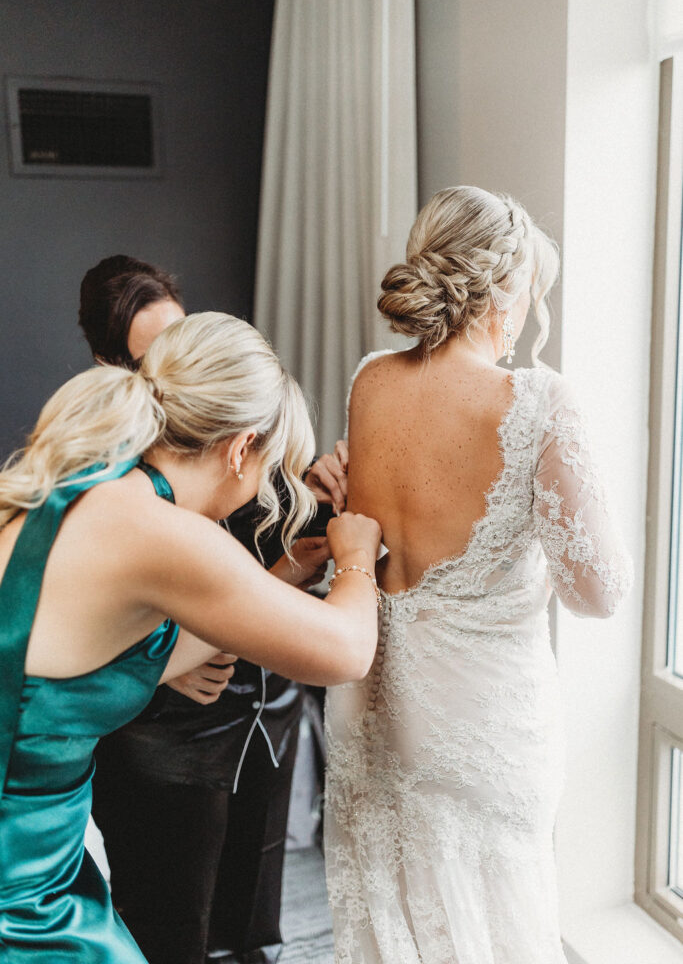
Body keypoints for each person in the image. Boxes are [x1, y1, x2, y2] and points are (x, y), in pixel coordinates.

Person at [0, 311, 381, 964]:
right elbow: (344, 652)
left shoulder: (99, 486)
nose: (264, 483)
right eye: (269, 463)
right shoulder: (163, 534)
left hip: (37, 847)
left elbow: (123, 650)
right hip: (21, 877)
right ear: (240, 448)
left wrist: (291, 569)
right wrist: (354, 554)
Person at [323, 186, 633, 964]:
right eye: (532, 285)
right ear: (506, 286)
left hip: (373, 709)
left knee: (398, 925)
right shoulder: (536, 401)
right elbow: (600, 592)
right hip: (482, 723)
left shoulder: (371, 379)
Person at [78, 256, 347, 964]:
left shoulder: (213, 459)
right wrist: (160, 669)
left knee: (243, 917)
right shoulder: (123, 494)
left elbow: (241, 591)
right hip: (150, 742)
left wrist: (312, 500)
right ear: (110, 364)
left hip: (254, 700)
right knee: (169, 920)